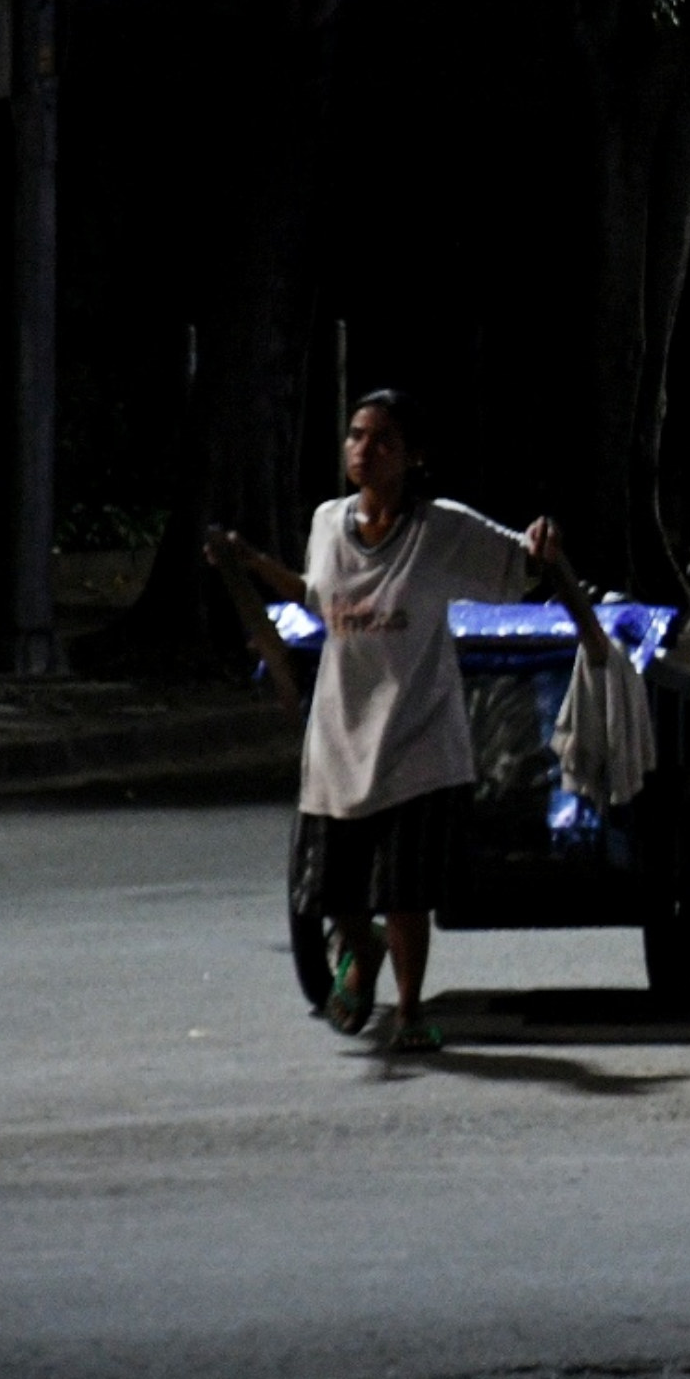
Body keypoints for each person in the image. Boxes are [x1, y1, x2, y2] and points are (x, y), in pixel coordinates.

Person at [206, 388, 595, 1053]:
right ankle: (363, 949)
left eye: (383, 440)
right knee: (337, 889)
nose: (364, 449)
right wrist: (250, 564)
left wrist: (544, 539)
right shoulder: (329, 521)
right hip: (339, 733)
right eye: (357, 435)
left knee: (405, 888)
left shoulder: (442, 530)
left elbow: (521, 566)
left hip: (419, 734)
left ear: (414, 456)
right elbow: (317, 595)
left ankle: (410, 1010)